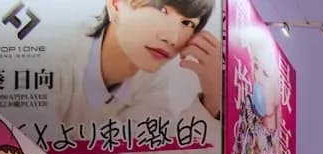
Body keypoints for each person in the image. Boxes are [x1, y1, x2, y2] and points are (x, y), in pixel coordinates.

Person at [48, 0, 222, 142]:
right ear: (116, 5)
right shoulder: (51, 55)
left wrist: (213, 99)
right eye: (161, 10)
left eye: (187, 23)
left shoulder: (156, 83)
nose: (171, 37)